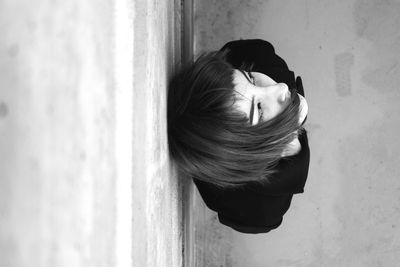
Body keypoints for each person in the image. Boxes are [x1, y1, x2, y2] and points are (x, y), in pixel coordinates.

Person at [168, 39, 310, 234]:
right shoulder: (258, 211)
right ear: (249, 150)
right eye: (259, 109)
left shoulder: (255, 57)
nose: (280, 88)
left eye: (251, 79)